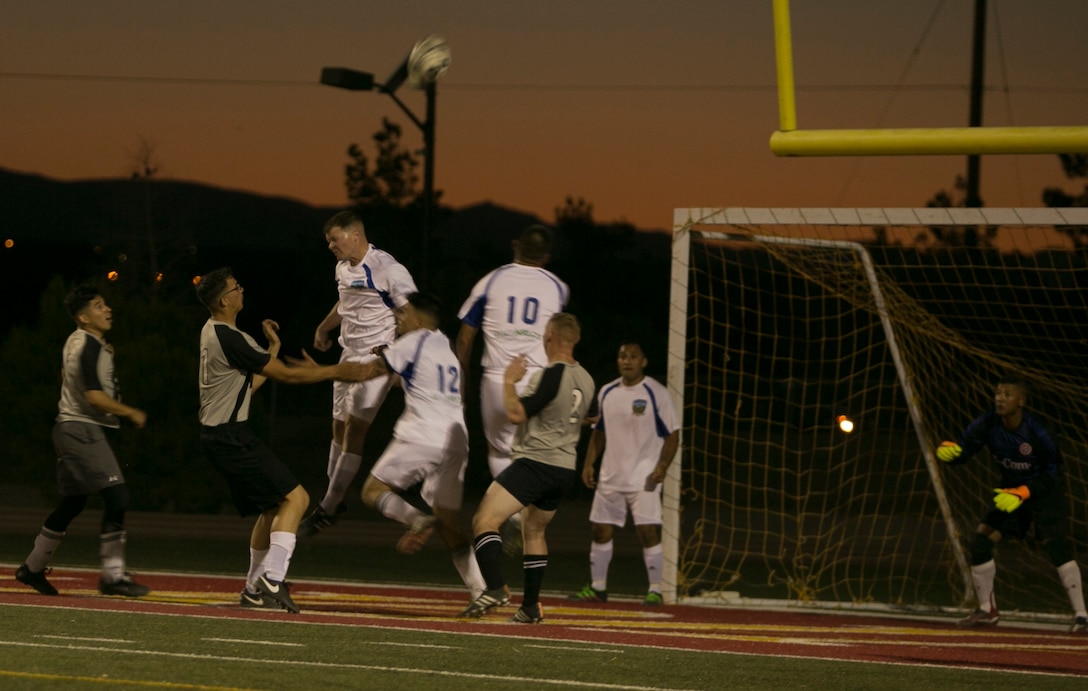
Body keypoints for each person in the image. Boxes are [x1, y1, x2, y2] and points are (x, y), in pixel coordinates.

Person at [195, 267, 366, 613]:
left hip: (219, 436)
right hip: (230, 436)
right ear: (225, 300)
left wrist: (273, 347)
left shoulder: (214, 332)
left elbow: (248, 386)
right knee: (297, 499)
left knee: (272, 508)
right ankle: (272, 578)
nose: (242, 290)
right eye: (236, 287)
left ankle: (253, 588)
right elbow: (285, 375)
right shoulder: (231, 337)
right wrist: (333, 372)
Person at [348, 292, 487, 602]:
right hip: (456, 439)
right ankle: (482, 591)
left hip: (424, 433)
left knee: (372, 491)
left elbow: (372, 371)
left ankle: (415, 519)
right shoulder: (445, 347)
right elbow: (415, 378)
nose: (399, 318)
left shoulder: (415, 340)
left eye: (404, 313)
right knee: (450, 524)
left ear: (419, 319)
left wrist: (318, 373)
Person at [15, 284, 151, 598]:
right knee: (118, 498)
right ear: (83, 317)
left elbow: (66, 376)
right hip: (81, 429)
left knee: (73, 502)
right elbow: (93, 396)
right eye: (99, 305)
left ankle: (32, 568)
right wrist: (130, 412)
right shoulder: (88, 343)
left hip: (69, 427)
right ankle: (113, 576)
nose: (107, 309)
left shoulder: (80, 342)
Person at [458, 313, 595, 623]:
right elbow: (590, 416)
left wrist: (509, 381)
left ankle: (494, 588)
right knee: (533, 532)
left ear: (549, 337)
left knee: (484, 520)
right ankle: (530, 607)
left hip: (536, 462)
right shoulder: (586, 378)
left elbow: (517, 414)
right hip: (563, 470)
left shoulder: (552, 374)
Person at [936, 373, 1087, 633]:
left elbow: (1054, 473)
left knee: (1057, 549)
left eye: (1007, 394)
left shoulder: (1037, 430)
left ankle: (1082, 616)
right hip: (1010, 496)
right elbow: (966, 447)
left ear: (1021, 401)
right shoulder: (988, 423)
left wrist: (1024, 492)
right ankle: (987, 610)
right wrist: (954, 454)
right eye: (997, 393)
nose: (1000, 399)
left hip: (1042, 496)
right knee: (981, 541)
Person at [299, 209, 418, 537]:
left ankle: (327, 506)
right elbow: (345, 304)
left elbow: (411, 314)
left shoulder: (388, 269)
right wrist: (324, 327)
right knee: (338, 431)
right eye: (328, 242)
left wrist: (398, 360)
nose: (331, 247)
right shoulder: (343, 267)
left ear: (355, 235)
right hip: (347, 357)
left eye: (334, 240)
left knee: (354, 431)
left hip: (375, 362)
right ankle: (333, 500)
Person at [456, 224, 569, 551]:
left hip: (497, 376)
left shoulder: (490, 281)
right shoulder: (558, 287)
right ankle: (527, 519)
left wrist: (460, 378)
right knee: (535, 451)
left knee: (499, 450)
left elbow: (465, 337)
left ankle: (515, 516)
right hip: (537, 376)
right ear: (546, 256)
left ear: (515, 245)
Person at [568, 341, 680, 606]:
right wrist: (588, 464)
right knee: (600, 531)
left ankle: (655, 590)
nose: (627, 360)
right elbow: (600, 432)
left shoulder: (656, 392)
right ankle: (598, 588)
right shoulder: (607, 391)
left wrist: (662, 465)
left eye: (633, 356)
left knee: (647, 532)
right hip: (611, 476)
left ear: (643, 362)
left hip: (644, 477)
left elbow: (673, 434)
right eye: (622, 356)